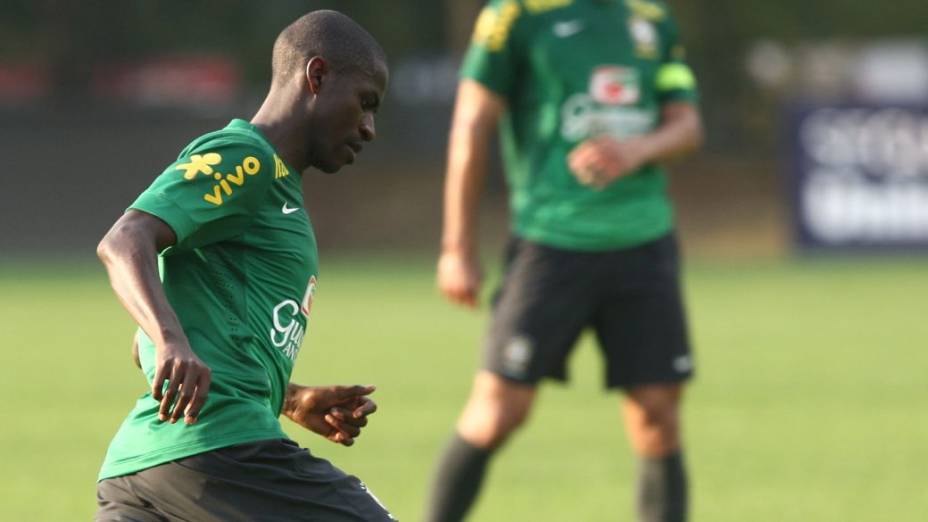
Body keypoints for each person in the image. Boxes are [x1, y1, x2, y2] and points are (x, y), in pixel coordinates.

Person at [94, 10, 395, 521]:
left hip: (142, 471)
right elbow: (124, 240)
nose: (369, 128)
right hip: (220, 454)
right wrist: (171, 340)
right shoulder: (247, 159)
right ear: (316, 76)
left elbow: (158, 338)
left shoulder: (274, 192)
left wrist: (291, 399)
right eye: (365, 103)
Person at [426, 0, 703, 521]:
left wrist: (636, 150)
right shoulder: (515, 16)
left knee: (657, 416)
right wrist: (457, 246)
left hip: (644, 242)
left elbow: (687, 127)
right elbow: (471, 124)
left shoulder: (651, 19)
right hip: (550, 245)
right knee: (498, 413)